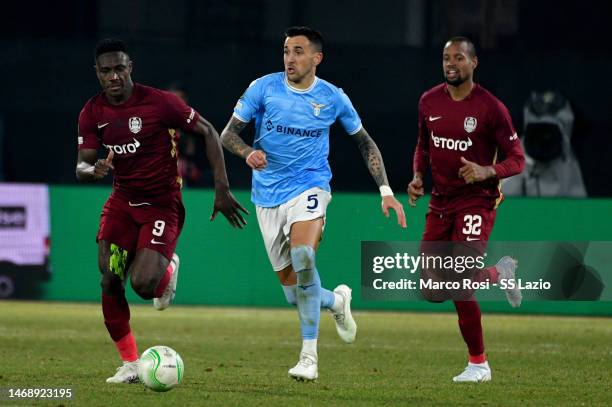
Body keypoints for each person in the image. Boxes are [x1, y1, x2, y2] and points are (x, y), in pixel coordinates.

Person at [220, 26, 406, 381]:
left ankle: (309, 357)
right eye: (287, 51)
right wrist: (247, 153)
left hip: (310, 186)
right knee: (295, 295)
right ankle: (337, 302)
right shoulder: (263, 88)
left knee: (304, 256)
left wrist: (385, 191)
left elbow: (365, 142)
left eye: (299, 51)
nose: (290, 58)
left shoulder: (333, 98)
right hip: (267, 195)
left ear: (317, 58)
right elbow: (228, 134)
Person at [75, 39, 247, 384]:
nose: (113, 76)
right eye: (106, 70)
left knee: (142, 284)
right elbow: (82, 164)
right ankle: (130, 363)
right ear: (97, 73)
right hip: (122, 202)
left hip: (161, 204)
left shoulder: (159, 103)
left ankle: (166, 273)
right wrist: (90, 172)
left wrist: (222, 188)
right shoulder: (92, 113)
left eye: (119, 68)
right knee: (109, 277)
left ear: (130, 68)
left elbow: (209, 131)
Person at [407, 37, 525, 383]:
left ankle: (479, 364)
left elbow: (517, 159)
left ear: (474, 63)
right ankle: (498, 273)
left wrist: (488, 171)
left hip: (477, 201)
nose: (450, 64)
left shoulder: (491, 108)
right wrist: (417, 176)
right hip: (440, 202)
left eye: (459, 57)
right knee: (430, 289)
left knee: (459, 280)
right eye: (446, 58)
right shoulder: (428, 101)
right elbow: (423, 145)